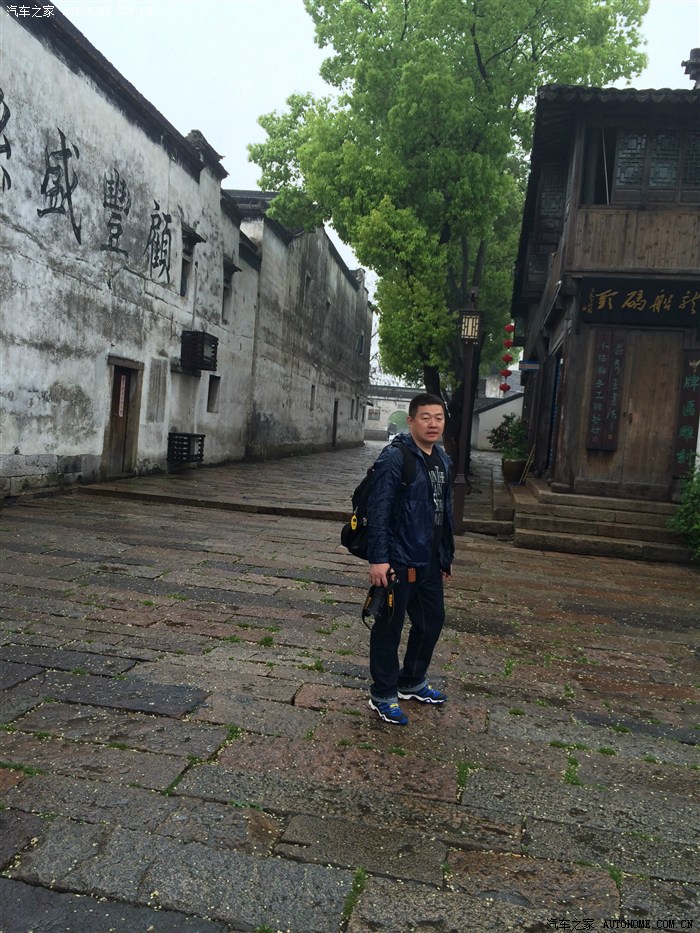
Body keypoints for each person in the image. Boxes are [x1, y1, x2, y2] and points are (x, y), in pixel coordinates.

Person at [366, 392, 455, 725]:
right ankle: (383, 693)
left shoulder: (443, 459)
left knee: (431, 621)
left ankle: (412, 680)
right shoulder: (396, 457)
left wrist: (444, 557)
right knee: (389, 628)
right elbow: (379, 509)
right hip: (398, 560)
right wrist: (379, 559)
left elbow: (444, 513)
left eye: (439, 418)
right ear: (411, 421)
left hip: (429, 561)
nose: (433, 424)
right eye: (426, 417)